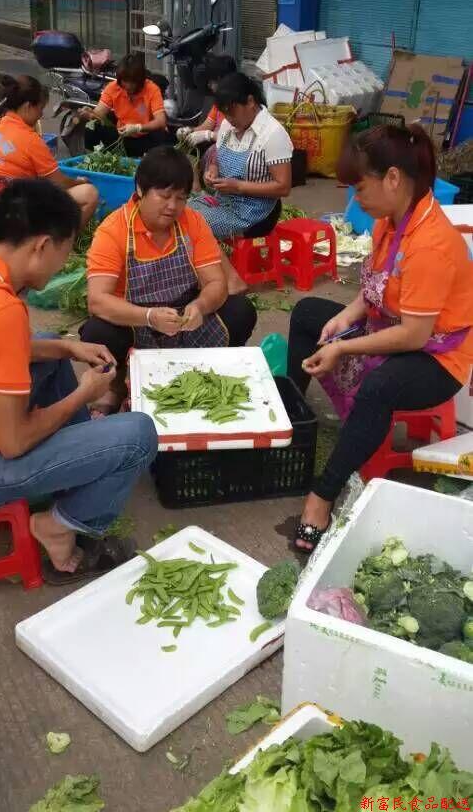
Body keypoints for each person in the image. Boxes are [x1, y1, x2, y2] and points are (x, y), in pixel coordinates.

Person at [0, 179, 157, 583]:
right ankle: (58, 527)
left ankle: (75, 473)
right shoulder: (1, 311)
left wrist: (68, 347)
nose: (62, 265)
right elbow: (14, 442)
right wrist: (84, 394)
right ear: (41, 246)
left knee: (50, 346)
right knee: (138, 435)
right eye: (64, 253)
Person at [287, 124, 473, 553]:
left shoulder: (431, 244)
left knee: (379, 386)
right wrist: (344, 319)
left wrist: (343, 346)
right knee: (308, 314)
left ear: (392, 178)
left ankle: (323, 496)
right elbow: (374, 289)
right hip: (391, 326)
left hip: (437, 358)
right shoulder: (388, 223)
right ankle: (295, 426)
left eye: (360, 188)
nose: (356, 201)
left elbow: (414, 335)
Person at [79, 146, 257, 408]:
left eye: (181, 198)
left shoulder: (193, 221)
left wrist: (200, 306)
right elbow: (97, 300)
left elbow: (216, 282)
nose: (173, 206)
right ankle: (116, 387)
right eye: (164, 196)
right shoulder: (113, 231)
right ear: (140, 189)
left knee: (241, 310)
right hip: (134, 320)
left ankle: (209, 374)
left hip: (185, 316)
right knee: (97, 331)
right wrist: (149, 316)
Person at [0, 75, 98, 227]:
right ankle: (64, 239)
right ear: (28, 106)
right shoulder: (30, 140)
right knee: (89, 193)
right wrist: (78, 181)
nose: (40, 115)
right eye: (40, 109)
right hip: (17, 209)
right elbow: (59, 183)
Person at [188, 72, 293, 239]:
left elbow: (283, 187)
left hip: (255, 213)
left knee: (195, 223)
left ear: (250, 102)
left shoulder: (273, 134)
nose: (229, 119)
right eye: (225, 113)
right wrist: (213, 170)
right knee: (184, 212)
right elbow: (217, 156)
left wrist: (238, 186)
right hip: (224, 201)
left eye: (231, 112)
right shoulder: (227, 126)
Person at [81, 52, 173, 157]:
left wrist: (138, 128)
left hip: (147, 136)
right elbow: (98, 113)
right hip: (122, 136)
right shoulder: (113, 88)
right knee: (91, 129)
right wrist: (89, 114)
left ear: (141, 80)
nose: (128, 86)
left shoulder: (152, 89)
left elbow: (161, 121)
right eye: (125, 81)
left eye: (133, 82)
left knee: (165, 141)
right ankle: (93, 160)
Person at [175, 54, 237, 147]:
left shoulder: (238, 105)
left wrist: (209, 135)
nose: (209, 84)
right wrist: (189, 131)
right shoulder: (218, 102)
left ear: (221, 79)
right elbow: (207, 125)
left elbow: (234, 139)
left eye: (212, 81)